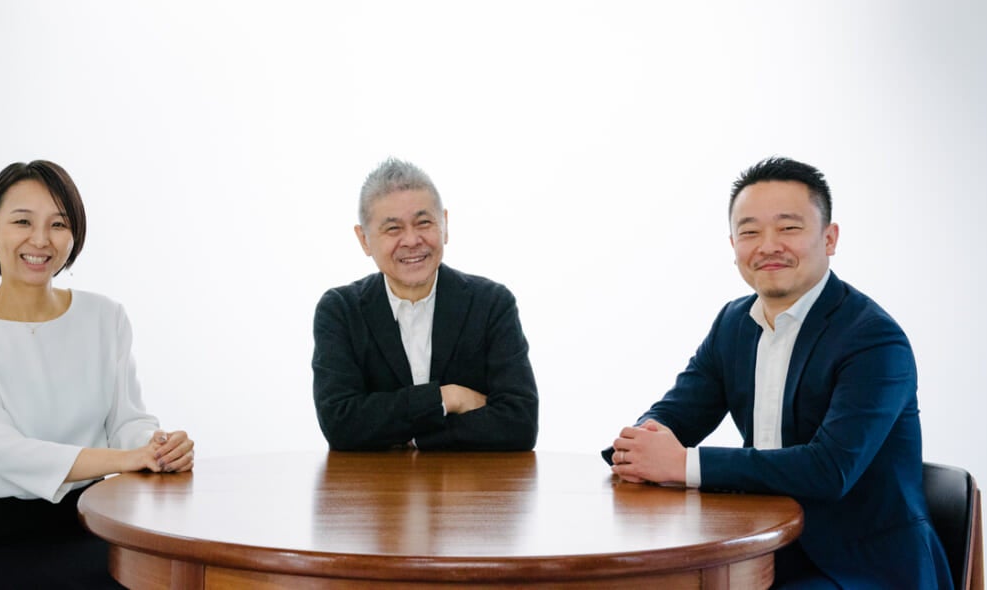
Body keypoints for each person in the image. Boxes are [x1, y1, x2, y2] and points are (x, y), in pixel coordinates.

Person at [605, 157, 951, 588]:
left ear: (829, 238)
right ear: (733, 245)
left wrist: (682, 464)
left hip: (861, 566)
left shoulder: (873, 339)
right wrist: (642, 446)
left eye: (788, 228)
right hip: (761, 546)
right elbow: (677, 414)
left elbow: (829, 470)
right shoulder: (733, 324)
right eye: (750, 232)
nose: (768, 246)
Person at [0, 160, 194, 589]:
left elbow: (127, 421)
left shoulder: (105, 317)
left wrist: (157, 448)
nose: (40, 240)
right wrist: (127, 459)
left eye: (58, 224)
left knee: (176, 572)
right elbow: (3, 449)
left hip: (92, 521)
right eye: (22, 221)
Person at [312, 158, 538, 451]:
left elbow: (519, 424)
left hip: (469, 480)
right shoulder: (341, 311)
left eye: (424, 223)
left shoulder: (492, 304)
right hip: (376, 481)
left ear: (444, 225)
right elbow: (341, 423)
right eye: (393, 229)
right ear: (364, 239)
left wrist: (414, 436)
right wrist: (448, 398)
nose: (411, 240)